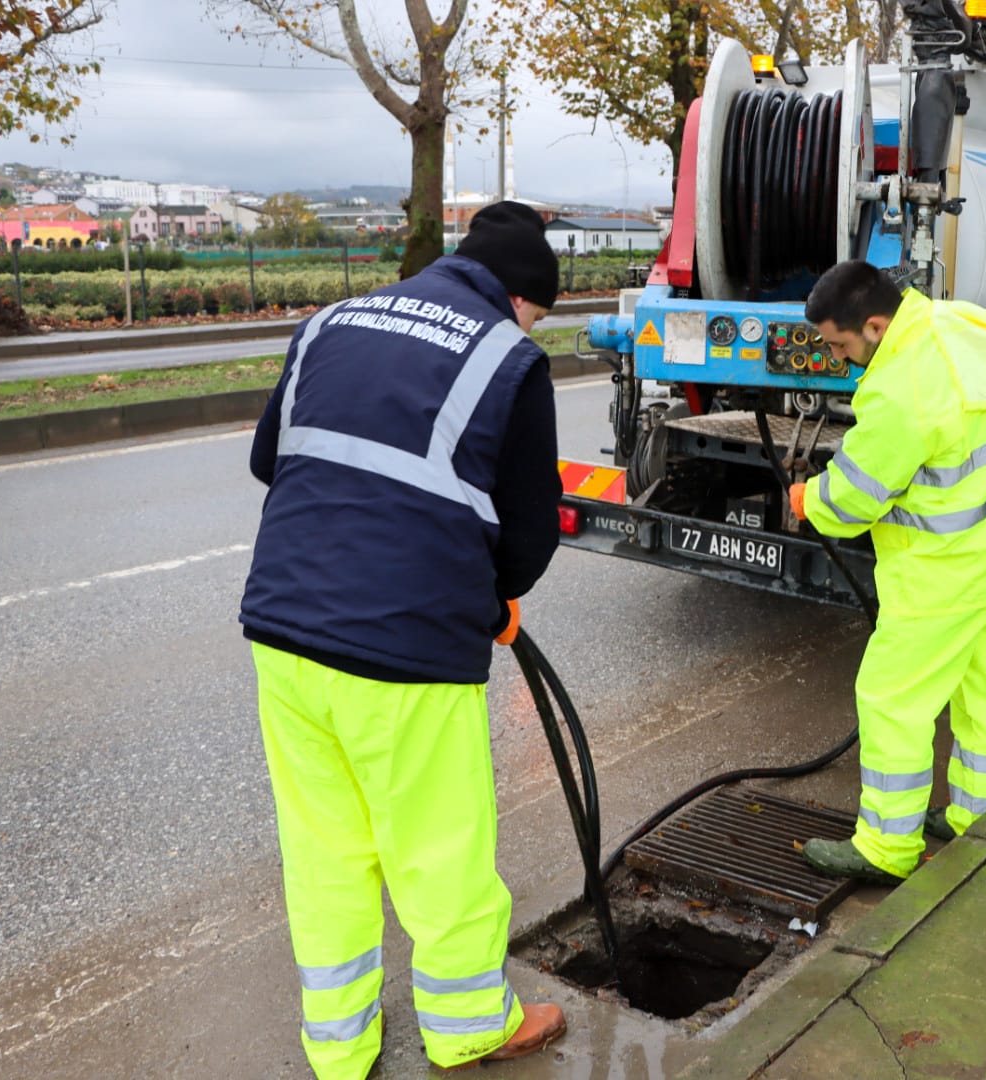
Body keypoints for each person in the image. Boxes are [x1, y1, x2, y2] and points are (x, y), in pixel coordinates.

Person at [239, 201, 567, 1077]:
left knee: (325, 852)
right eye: (537, 313)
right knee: (439, 850)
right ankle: (469, 1026)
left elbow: (271, 460)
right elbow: (531, 536)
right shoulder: (507, 356)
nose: (530, 328)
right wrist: (493, 600)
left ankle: (339, 1047)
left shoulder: (329, 322)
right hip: (406, 650)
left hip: (283, 631)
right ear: (520, 297)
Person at [789, 260, 986, 885]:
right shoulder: (966, 325)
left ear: (876, 326)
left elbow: (854, 500)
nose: (837, 358)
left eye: (840, 345)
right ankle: (977, 819)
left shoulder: (900, 388)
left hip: (945, 577)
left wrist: (807, 500)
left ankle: (887, 847)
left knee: (892, 700)